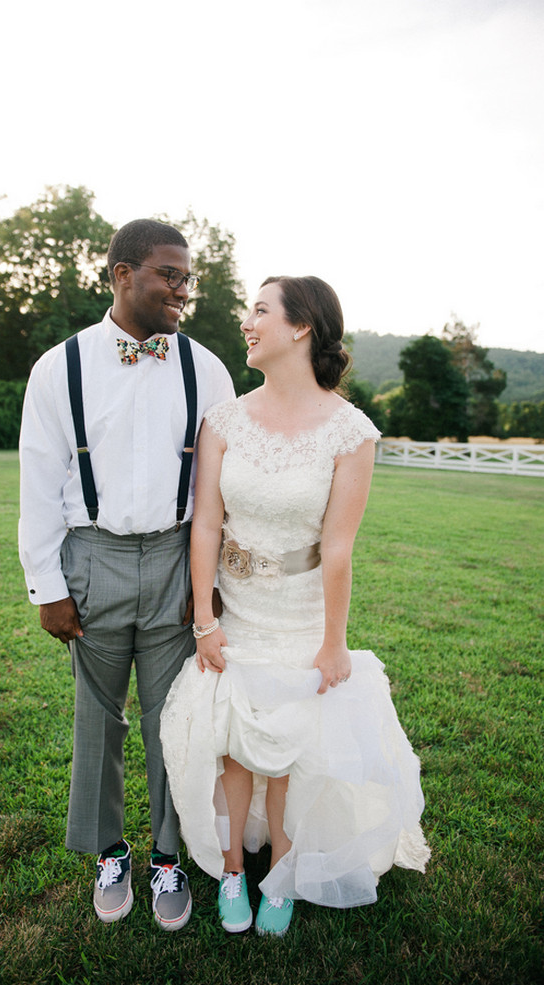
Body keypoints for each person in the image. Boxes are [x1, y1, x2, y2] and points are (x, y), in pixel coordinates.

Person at [160, 275, 430, 937]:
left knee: (285, 746)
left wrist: (332, 642)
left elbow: (337, 547)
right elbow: (204, 526)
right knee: (231, 740)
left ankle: (279, 870)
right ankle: (230, 871)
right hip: (237, 608)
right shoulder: (224, 419)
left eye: (259, 310)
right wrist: (205, 618)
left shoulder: (350, 431)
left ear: (301, 326)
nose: (246, 321)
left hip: (303, 611)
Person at [18, 219, 234, 931]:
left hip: (177, 558)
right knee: (98, 720)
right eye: (168, 275)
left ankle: (168, 856)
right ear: (120, 274)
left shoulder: (208, 369)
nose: (182, 289)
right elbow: (39, 482)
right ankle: (110, 851)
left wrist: (207, 587)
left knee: (173, 720)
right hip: (93, 558)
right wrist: (45, 586)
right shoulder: (60, 367)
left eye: (187, 278)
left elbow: (217, 491)